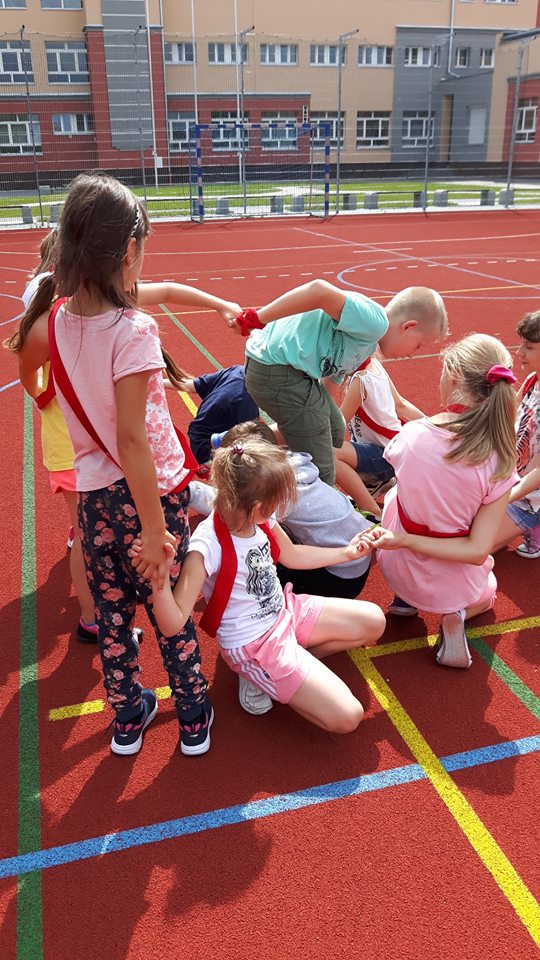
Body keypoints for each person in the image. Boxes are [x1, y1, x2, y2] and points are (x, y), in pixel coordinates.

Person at [6, 172, 241, 757]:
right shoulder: (134, 329)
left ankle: (128, 717)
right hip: (148, 498)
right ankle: (191, 714)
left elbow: (27, 360)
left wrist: (43, 394)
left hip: (93, 499)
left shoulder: (57, 320)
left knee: (112, 615)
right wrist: (156, 530)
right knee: (168, 604)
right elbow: (133, 440)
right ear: (129, 250)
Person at [131, 437, 385, 729]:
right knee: (348, 716)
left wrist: (346, 553)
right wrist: (159, 579)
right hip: (254, 643)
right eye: (278, 500)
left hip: (284, 610)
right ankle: (262, 673)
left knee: (374, 621)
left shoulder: (258, 518)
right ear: (257, 506)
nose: (282, 505)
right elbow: (172, 623)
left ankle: (286, 669)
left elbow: (291, 555)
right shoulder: (207, 545)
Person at [376, 334, 518, 669]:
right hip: (451, 585)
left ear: (453, 377)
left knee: (396, 494)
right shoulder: (499, 458)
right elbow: (477, 551)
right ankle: (458, 614)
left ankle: (405, 599)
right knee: (489, 581)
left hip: (396, 564)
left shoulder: (411, 435)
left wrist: (403, 540)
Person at [241, 280, 448, 485]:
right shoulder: (376, 323)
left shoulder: (365, 347)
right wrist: (257, 318)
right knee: (322, 470)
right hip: (276, 370)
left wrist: (320, 418)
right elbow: (318, 291)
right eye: (418, 345)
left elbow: (330, 383)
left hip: (290, 374)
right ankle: (262, 466)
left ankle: (246, 444)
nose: (412, 354)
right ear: (408, 327)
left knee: (335, 428)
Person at [202, 419, 376, 603]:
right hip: (356, 557)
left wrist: (190, 492)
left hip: (341, 577)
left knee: (254, 572)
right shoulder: (294, 463)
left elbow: (229, 509)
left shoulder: (269, 493)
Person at [334, 355, 425, 518]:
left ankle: (371, 511)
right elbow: (401, 405)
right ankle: (375, 482)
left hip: (384, 456)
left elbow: (336, 428)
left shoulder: (360, 380)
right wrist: (433, 425)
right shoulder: (374, 366)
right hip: (393, 452)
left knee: (328, 453)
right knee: (333, 451)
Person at [493, 311, 540, 559]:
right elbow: (508, 418)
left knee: (473, 549)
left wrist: (502, 498)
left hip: (531, 497)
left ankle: (534, 522)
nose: (519, 352)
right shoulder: (533, 380)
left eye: (529, 347)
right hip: (512, 480)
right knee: (464, 534)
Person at [179, 364, 259, 465]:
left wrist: (161, 383)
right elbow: (251, 438)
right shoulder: (247, 404)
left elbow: (191, 385)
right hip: (207, 446)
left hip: (198, 433)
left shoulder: (237, 371)